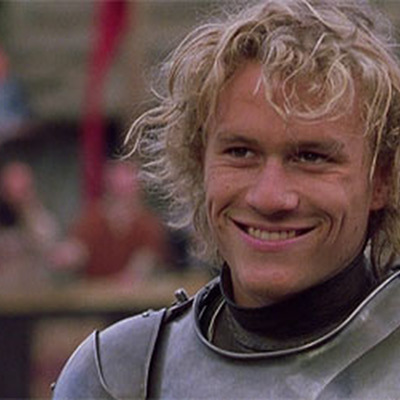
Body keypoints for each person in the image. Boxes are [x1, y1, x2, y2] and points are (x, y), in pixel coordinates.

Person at [52, 0, 400, 398]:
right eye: (240, 152)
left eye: (310, 157)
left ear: (381, 179)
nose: (269, 197)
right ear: (200, 161)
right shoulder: (117, 378)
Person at [49, 161, 173, 282]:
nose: (122, 200)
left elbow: (144, 261)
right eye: (118, 191)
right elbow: (77, 249)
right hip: (94, 291)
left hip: (132, 294)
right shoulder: (92, 220)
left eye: (127, 191)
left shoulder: (148, 225)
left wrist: (132, 277)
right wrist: (65, 255)